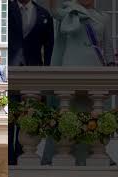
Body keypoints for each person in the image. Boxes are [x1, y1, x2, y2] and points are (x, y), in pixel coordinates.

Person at [46, 0, 115, 166]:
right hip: (71, 66)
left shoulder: (103, 17)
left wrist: (112, 71)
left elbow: (107, 47)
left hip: (95, 68)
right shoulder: (68, 11)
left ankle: (92, 154)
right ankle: (68, 154)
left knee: (93, 112)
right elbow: (54, 10)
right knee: (71, 112)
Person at [9, 0, 54, 165]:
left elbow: (49, 48)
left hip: (34, 73)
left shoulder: (44, 14)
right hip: (10, 72)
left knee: (28, 117)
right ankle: (8, 158)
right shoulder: (6, 9)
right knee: (9, 118)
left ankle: (22, 157)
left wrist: (45, 77)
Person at [49, 0, 114, 67]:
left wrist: (111, 63)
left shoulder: (104, 17)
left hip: (95, 64)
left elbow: (108, 45)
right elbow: (55, 12)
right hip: (72, 65)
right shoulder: (69, 12)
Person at [9, 0, 54, 66]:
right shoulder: (6, 11)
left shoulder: (43, 14)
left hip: (34, 64)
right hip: (9, 64)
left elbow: (49, 44)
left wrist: (46, 66)